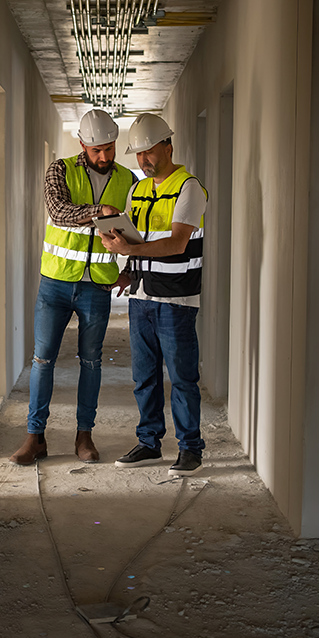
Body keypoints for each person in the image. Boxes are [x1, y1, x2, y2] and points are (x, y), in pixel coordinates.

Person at [10, 109, 135, 466]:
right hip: (56, 283)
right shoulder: (60, 169)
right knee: (43, 359)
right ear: (82, 144)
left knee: (92, 362)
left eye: (109, 148)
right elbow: (58, 210)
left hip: (98, 285)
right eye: (97, 149)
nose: (104, 156)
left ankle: (84, 436)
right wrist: (100, 210)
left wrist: (124, 270)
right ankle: (35, 438)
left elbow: (133, 229)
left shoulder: (126, 178)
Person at [100, 113, 208, 477]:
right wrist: (126, 268)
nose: (144, 160)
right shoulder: (138, 190)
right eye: (139, 154)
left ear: (168, 146)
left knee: (181, 377)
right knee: (144, 377)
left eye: (149, 151)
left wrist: (131, 252)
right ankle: (149, 443)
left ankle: (191, 448)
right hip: (141, 296)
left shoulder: (189, 187)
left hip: (176, 299)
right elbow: (136, 239)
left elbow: (178, 243)